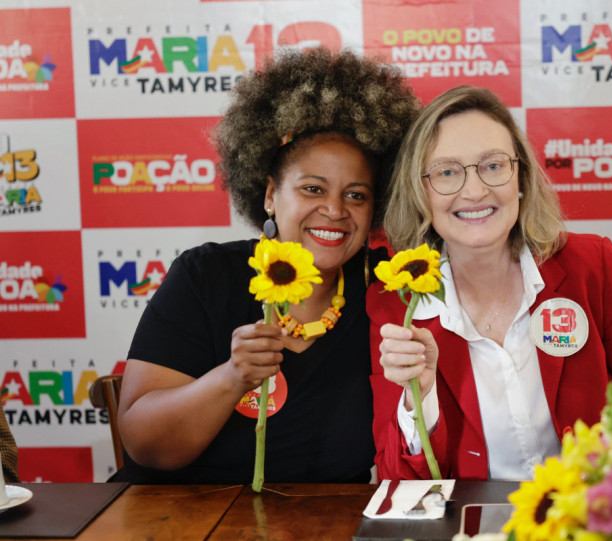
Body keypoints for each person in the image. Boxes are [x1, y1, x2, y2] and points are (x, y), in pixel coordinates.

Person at [114, 47, 419, 484]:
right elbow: (145, 446)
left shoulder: (391, 289)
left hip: (324, 527)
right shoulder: (205, 277)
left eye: (356, 195)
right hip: (183, 522)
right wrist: (232, 376)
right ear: (271, 194)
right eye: (313, 189)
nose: (334, 210)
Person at [369, 85, 612, 481]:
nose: (475, 190)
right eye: (447, 172)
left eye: (493, 165)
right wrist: (421, 396)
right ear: (420, 192)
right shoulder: (396, 304)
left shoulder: (591, 266)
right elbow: (401, 481)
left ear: (520, 178)